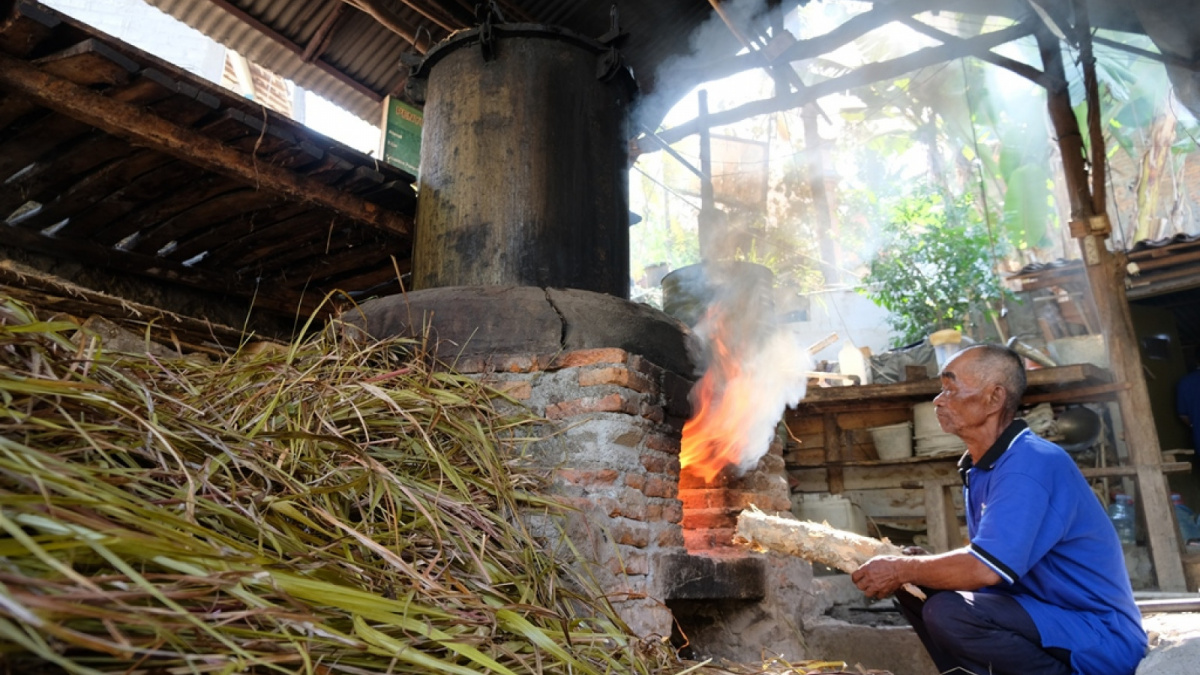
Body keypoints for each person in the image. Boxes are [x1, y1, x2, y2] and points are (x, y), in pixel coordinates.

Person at [851, 344, 1145, 675]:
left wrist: (904, 567)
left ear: (994, 398)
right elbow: (993, 555)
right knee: (913, 590)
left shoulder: (1029, 464)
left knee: (947, 610)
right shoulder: (982, 468)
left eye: (951, 388)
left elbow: (985, 569)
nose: (938, 399)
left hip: (1095, 631)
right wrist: (916, 566)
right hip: (1041, 615)